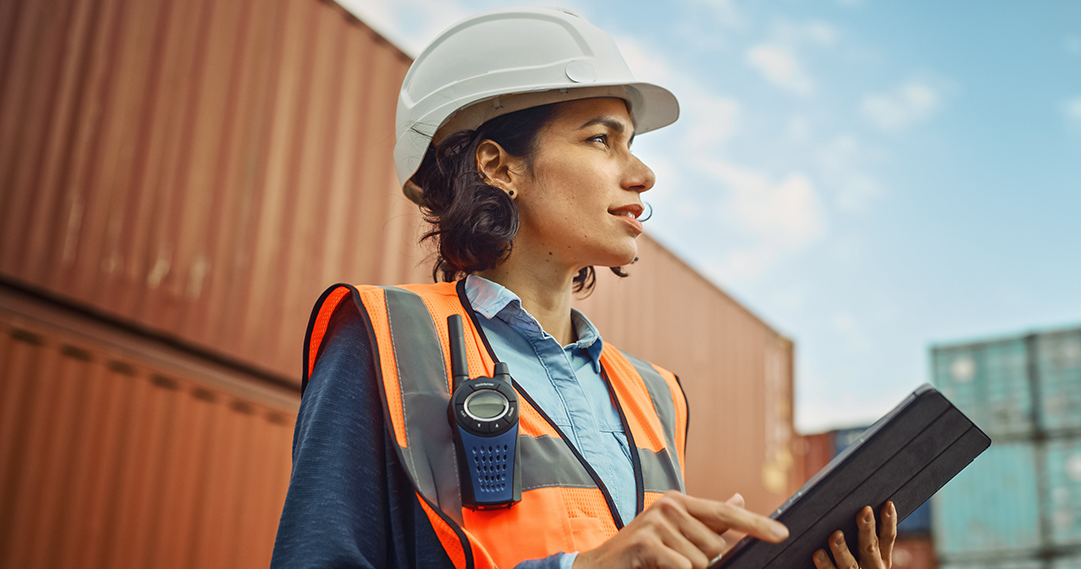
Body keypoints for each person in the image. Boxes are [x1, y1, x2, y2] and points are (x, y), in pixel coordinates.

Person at [271, 7, 898, 569]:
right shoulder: (385, 339)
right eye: (602, 139)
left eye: (634, 145)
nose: (644, 174)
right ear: (499, 165)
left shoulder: (656, 398)